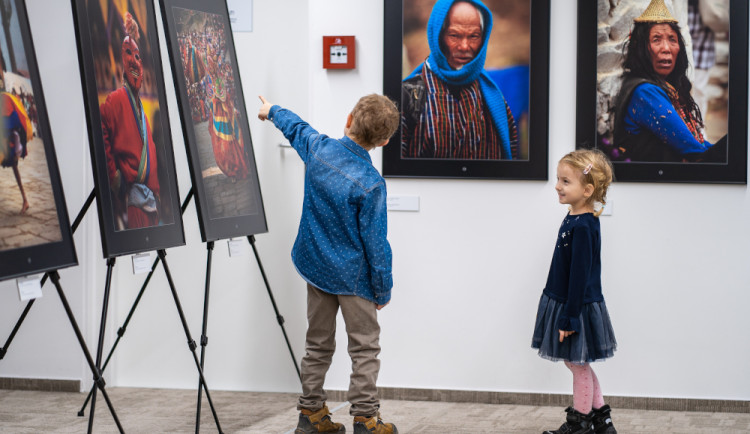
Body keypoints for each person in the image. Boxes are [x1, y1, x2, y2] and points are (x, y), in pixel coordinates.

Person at [258, 94, 400, 434]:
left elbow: (296, 128)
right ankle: (365, 419)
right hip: (354, 281)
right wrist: (383, 287)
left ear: (349, 119)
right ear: (383, 141)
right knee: (364, 348)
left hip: (317, 270)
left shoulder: (318, 150)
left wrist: (271, 110)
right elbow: (376, 244)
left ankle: (310, 415)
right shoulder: (371, 183)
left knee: (317, 343)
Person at [531, 149, 618, 434]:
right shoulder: (577, 217)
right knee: (578, 362)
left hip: (575, 305)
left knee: (577, 363)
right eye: (558, 179)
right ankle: (601, 421)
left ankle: (580, 423)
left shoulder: (582, 225)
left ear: (587, 189)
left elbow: (579, 275)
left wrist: (569, 317)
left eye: (565, 181)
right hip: (567, 300)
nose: (557, 185)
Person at [401, 0, 518, 160]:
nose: (464, 46)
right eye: (454, 35)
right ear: (438, 36)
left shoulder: (493, 97)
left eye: (474, 36)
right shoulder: (409, 94)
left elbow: (511, 162)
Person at [613, 0, 724, 163]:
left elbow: (698, 144)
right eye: (656, 39)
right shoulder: (646, 92)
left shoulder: (667, 87)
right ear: (641, 48)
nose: (666, 48)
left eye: (672, 39)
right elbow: (694, 151)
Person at [99, 12, 161, 229]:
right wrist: (115, 177)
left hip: (150, 202)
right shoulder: (115, 100)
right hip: (133, 203)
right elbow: (102, 134)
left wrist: (157, 191)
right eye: (129, 54)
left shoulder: (143, 112)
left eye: (138, 56)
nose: (135, 61)